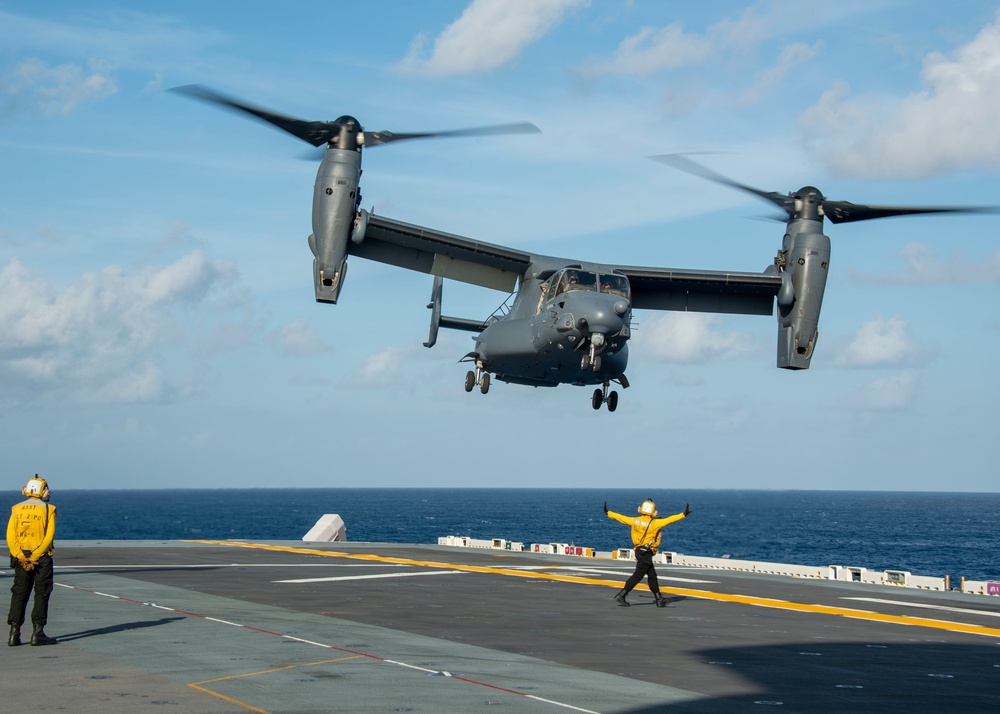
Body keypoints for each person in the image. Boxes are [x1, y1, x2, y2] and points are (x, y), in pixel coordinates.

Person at [604, 498, 691, 608]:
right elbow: (670, 520)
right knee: (638, 575)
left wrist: (608, 513)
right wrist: (683, 514)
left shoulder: (635, 520)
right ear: (652, 511)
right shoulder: (655, 523)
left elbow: (621, 518)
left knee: (652, 576)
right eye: (656, 510)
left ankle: (659, 599)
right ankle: (622, 595)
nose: (657, 512)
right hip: (646, 553)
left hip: (639, 551)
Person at [7, 475, 57, 646]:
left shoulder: (16, 509)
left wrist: (20, 556)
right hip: (41, 559)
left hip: (21, 558)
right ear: (41, 490)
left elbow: (10, 536)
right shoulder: (49, 509)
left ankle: (14, 633)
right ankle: (38, 632)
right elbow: (49, 536)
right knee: (42, 593)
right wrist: (36, 556)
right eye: (46, 488)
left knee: (19, 593)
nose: (48, 491)